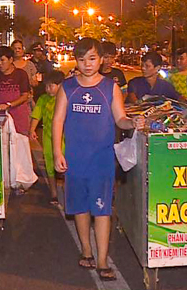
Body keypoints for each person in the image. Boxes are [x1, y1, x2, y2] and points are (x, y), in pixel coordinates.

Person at [52, 38, 144, 281]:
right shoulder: (67, 87)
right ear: (76, 61)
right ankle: (86, 249)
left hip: (102, 159)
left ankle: (102, 259)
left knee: (102, 210)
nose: (87, 64)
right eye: (82, 59)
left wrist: (132, 123)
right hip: (75, 158)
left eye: (92, 58)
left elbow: (120, 119)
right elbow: (57, 121)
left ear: (101, 60)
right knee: (80, 207)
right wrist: (56, 152)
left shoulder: (110, 88)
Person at [29, 70, 65, 205]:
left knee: (67, 166)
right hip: (48, 138)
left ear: (60, 85)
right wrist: (32, 129)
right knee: (50, 165)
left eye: (51, 86)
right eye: (46, 86)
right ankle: (54, 193)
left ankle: (68, 193)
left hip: (66, 138)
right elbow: (36, 115)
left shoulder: (66, 98)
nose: (48, 89)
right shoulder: (43, 99)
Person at [0, 46, 31, 134]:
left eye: (2, 60)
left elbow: (25, 96)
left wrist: (9, 105)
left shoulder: (21, 74)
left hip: (18, 118)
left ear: (11, 60)